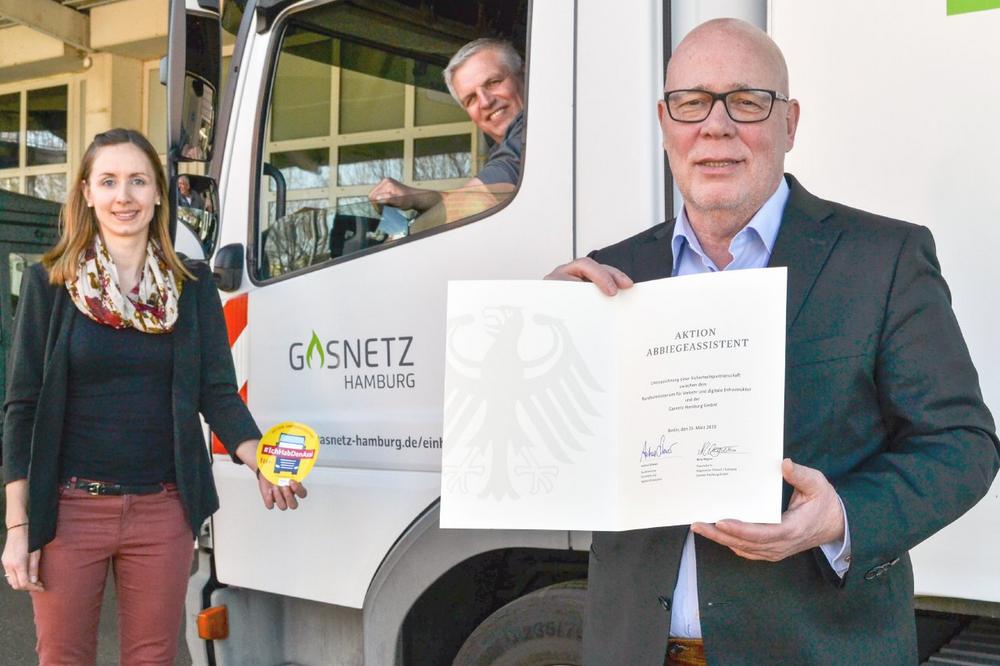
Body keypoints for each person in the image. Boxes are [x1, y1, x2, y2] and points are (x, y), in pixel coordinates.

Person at [545, 19, 999, 665]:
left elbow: (962, 445)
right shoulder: (610, 276)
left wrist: (841, 517)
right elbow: (559, 450)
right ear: (665, 123)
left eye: (747, 101)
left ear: (790, 123)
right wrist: (539, 334)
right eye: (692, 102)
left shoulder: (883, 258)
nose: (716, 126)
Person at [0, 128, 306, 665]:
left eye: (138, 181)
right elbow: (22, 408)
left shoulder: (191, 286)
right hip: (68, 510)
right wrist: (18, 525)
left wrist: (260, 456)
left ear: (159, 193)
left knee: (154, 657)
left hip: (163, 510)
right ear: (87, 193)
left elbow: (217, 392)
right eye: (109, 181)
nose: (124, 196)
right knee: (62, 656)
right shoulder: (51, 283)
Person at [368, 38, 525, 229]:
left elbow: (482, 200)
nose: (485, 102)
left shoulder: (533, 128)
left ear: (525, 75)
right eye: (471, 99)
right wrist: (418, 197)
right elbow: (484, 196)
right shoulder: (504, 149)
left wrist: (404, 235)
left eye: (493, 82)